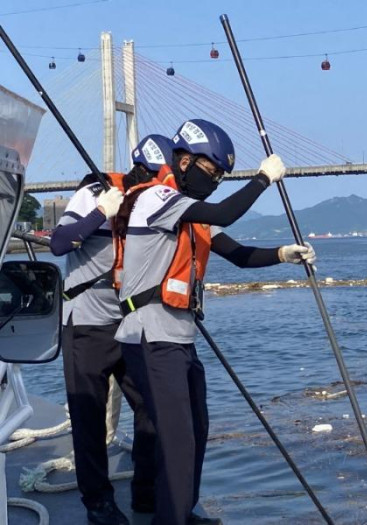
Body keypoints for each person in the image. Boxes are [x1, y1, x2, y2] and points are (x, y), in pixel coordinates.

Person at [114, 119, 316, 525]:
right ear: (184, 160)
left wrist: (283, 255)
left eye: (222, 177)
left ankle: (181, 512)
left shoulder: (191, 214)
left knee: (197, 432)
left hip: (180, 339)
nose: (216, 182)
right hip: (152, 338)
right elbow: (227, 210)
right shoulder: (157, 200)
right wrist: (263, 179)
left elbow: (238, 254)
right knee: (178, 443)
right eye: (211, 172)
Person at [49, 134, 173, 525]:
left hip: (129, 324)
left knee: (152, 408)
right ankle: (98, 502)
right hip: (86, 323)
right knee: (88, 416)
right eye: (153, 177)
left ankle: (147, 495)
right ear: (140, 171)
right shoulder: (94, 194)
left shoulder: (154, 204)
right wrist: (102, 211)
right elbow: (58, 243)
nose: (157, 185)